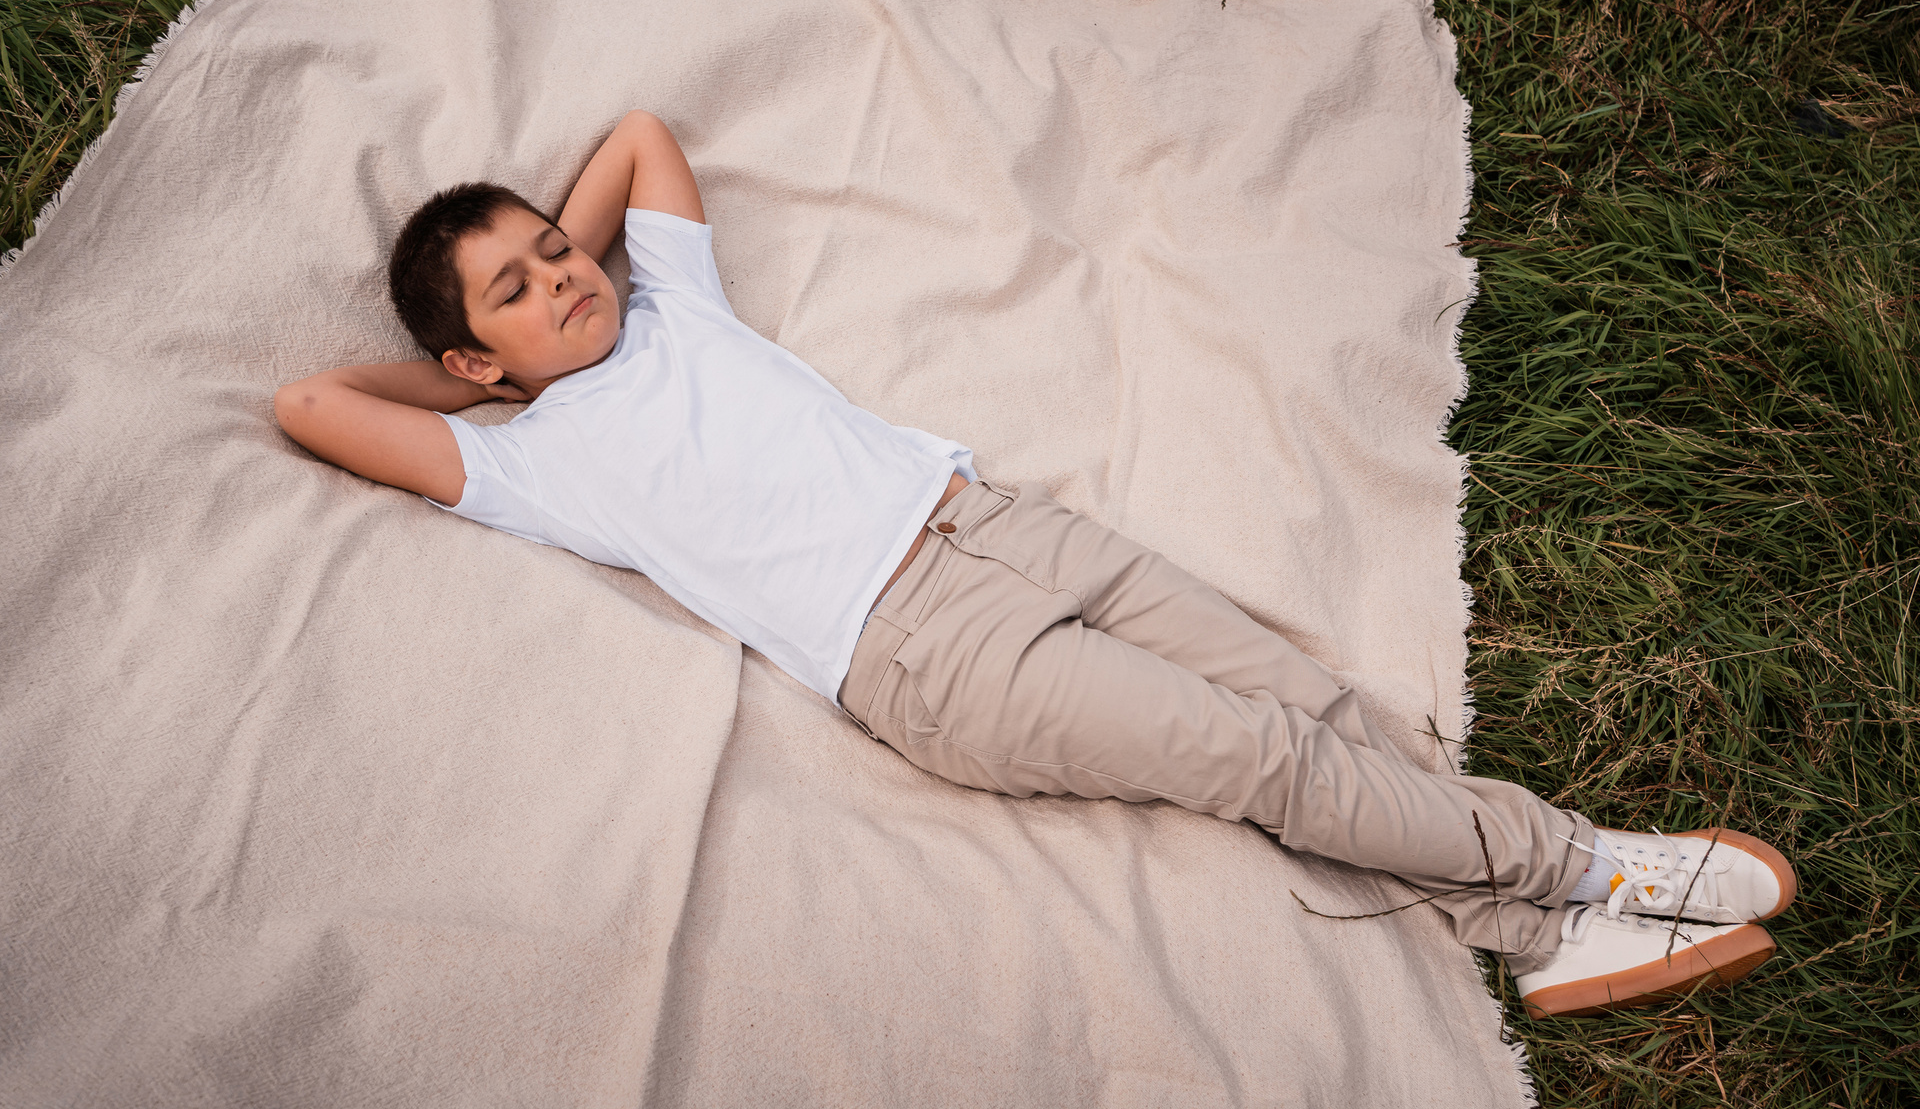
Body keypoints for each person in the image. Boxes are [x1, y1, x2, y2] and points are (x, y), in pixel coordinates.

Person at [274, 110, 1798, 1019]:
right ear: (473, 358)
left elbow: (637, 134)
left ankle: (1536, 936)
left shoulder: (673, 307)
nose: (566, 275)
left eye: (558, 247)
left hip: (995, 523)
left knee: (1309, 701)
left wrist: (544, 271)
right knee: (1256, 754)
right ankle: (1580, 864)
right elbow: (312, 404)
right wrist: (487, 381)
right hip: (925, 653)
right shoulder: (529, 460)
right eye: (518, 289)